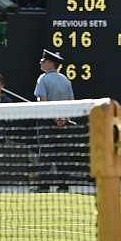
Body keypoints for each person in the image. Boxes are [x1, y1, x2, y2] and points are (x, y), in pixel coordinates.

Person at [33, 49, 74, 192]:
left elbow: (43, 102)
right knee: (62, 154)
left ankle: (43, 186)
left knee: (45, 154)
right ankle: (63, 186)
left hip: (46, 122)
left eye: (43, 60)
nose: (41, 62)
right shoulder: (66, 80)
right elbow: (71, 103)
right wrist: (62, 119)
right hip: (63, 123)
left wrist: (54, 118)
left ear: (50, 63)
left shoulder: (42, 79)